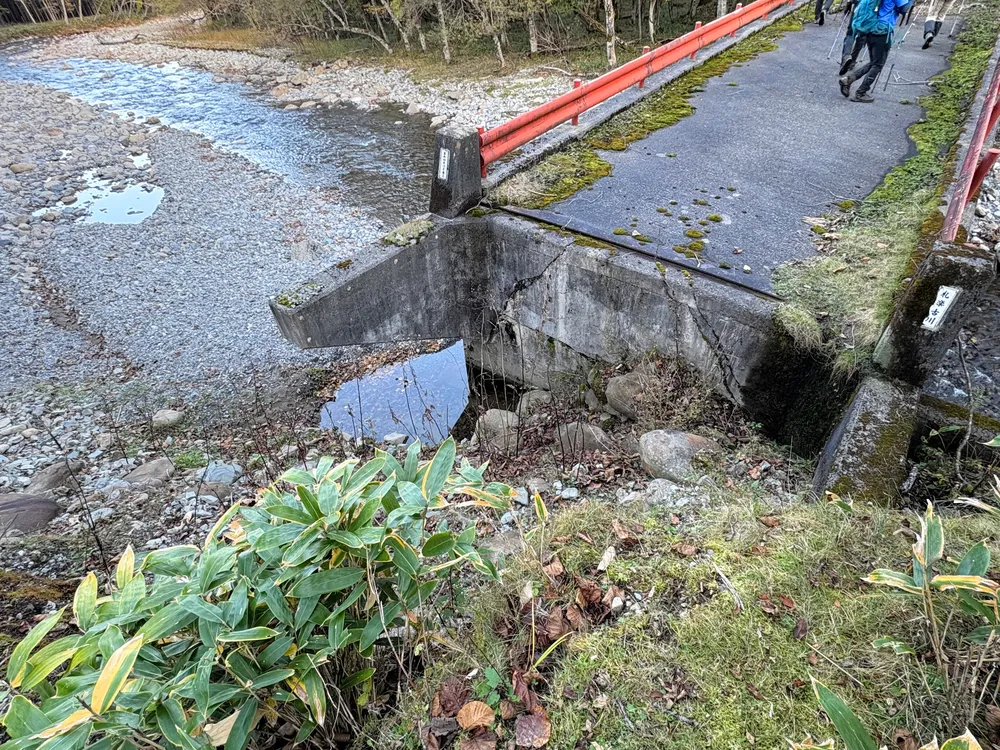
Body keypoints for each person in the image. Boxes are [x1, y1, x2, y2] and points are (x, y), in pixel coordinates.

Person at [838, 0, 911, 102]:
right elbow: (904, 9)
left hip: (870, 28)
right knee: (878, 64)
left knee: (874, 62)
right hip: (882, 30)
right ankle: (860, 93)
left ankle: (848, 80)